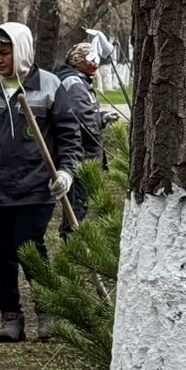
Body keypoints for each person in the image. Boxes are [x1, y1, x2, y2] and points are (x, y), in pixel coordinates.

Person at [0, 22, 84, 343]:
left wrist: (66, 172)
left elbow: (70, 137)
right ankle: (10, 316)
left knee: (29, 248)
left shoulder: (49, 86)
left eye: (4, 53)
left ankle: (46, 311)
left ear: (21, 51)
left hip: (37, 187)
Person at [52, 41, 111, 236]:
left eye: (97, 60)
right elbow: (80, 119)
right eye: (90, 60)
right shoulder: (75, 83)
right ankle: (72, 242)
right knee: (78, 202)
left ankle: (73, 239)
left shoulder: (80, 80)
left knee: (80, 202)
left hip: (84, 153)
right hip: (82, 155)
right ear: (78, 61)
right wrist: (98, 125)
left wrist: (100, 117)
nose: (95, 64)